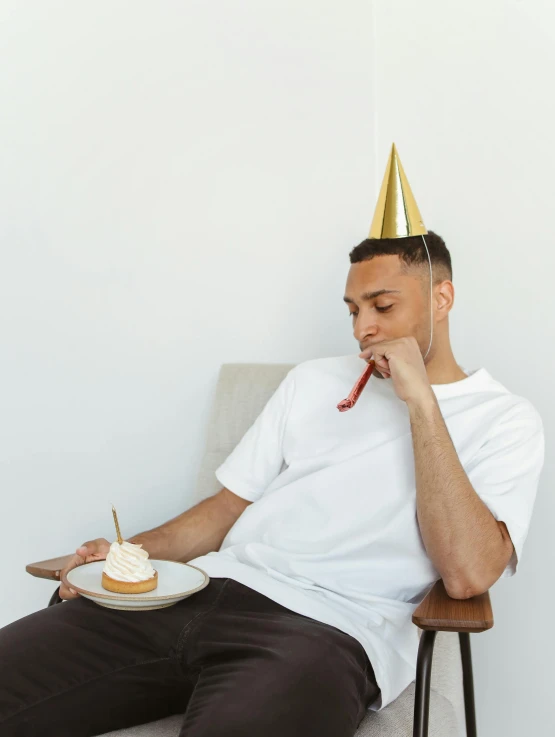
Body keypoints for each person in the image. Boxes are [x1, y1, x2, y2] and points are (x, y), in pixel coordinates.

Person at [0, 145, 544, 737]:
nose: (364, 328)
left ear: (442, 299)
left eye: (383, 306)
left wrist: (421, 403)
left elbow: (466, 575)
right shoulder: (313, 381)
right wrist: (130, 555)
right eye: (354, 309)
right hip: (199, 591)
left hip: (323, 634)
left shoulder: (506, 421)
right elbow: (224, 510)